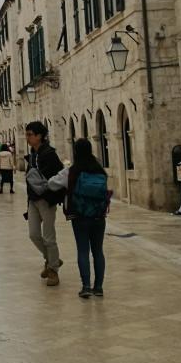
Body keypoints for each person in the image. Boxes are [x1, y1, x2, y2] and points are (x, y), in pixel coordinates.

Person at [65, 139, 110, 298]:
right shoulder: (99, 170)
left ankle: (86, 287)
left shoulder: (74, 171)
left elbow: (62, 188)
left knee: (83, 250)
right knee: (98, 251)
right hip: (98, 216)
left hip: (80, 216)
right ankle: (98, 287)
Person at [25, 121, 65, 286]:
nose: (27, 137)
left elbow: (59, 176)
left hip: (47, 200)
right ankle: (52, 259)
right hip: (33, 200)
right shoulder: (32, 154)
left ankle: (53, 270)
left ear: (39, 136)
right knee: (34, 234)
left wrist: (48, 190)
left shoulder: (49, 154)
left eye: (30, 134)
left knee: (49, 237)